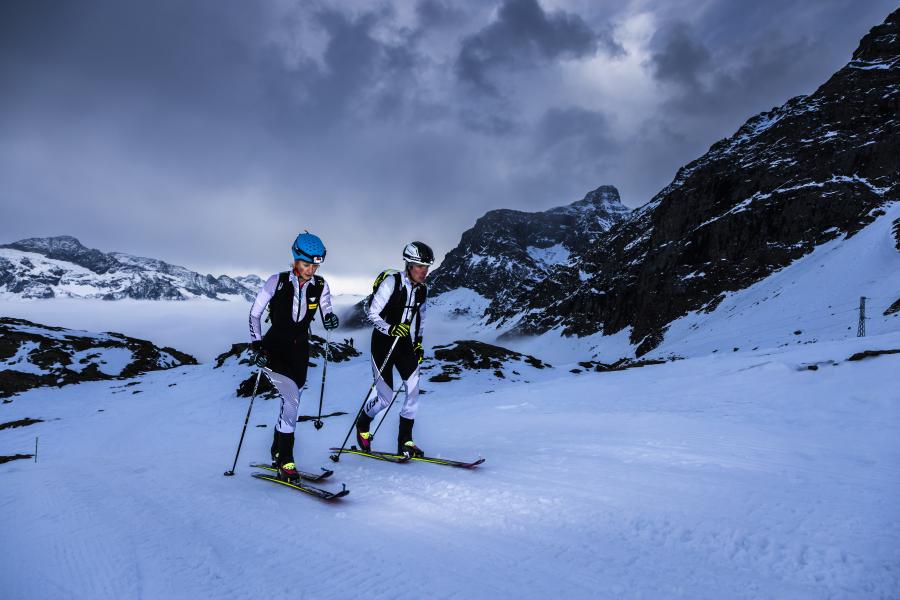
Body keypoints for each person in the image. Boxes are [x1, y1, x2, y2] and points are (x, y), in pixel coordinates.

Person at [248, 231, 340, 482]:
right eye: (307, 264)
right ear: (296, 259)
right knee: (292, 400)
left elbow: (326, 311)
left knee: (292, 400)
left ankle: (277, 450)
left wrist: (331, 319)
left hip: (300, 351)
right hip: (272, 351)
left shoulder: (320, 286)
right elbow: (254, 315)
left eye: (316, 265)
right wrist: (257, 347)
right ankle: (285, 459)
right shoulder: (276, 282)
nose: (311, 269)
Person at [355, 241, 434, 458]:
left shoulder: (422, 290)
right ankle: (363, 423)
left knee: (414, 388)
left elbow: (421, 318)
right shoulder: (392, 282)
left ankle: (405, 441)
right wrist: (390, 329)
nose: (424, 271)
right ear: (409, 265)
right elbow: (372, 314)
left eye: (427, 267)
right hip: (382, 343)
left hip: (404, 344)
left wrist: (418, 342)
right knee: (385, 398)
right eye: (420, 266)